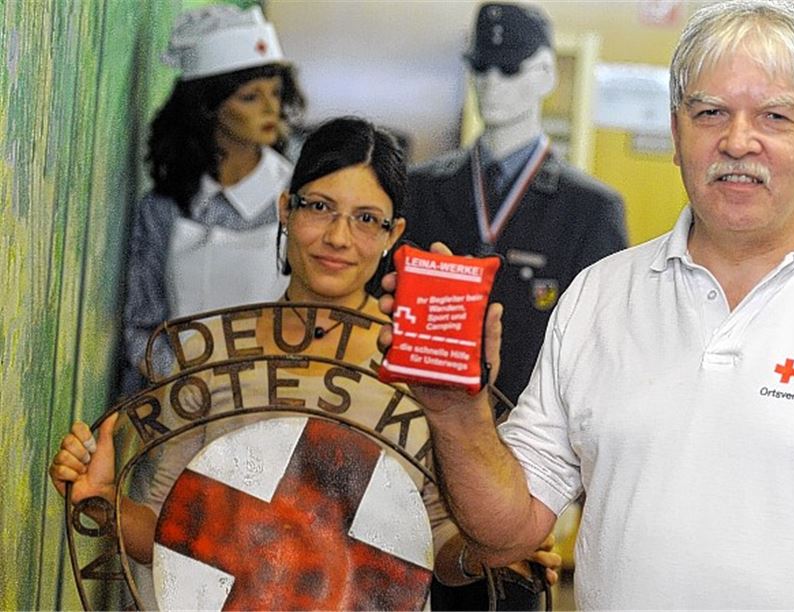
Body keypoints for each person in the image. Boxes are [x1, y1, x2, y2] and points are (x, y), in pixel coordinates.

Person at [380, 1, 794, 609]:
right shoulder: (598, 297)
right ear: (677, 130)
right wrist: (457, 411)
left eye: (775, 116)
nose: (738, 141)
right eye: (709, 112)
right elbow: (509, 531)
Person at [50, 117, 559, 607]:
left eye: (366, 219)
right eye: (319, 207)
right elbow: (170, 532)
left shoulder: (421, 372)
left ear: (392, 233)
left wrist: (490, 546)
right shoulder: (215, 352)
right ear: (285, 209)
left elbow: (432, 546)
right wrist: (102, 499)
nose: (338, 237)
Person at [404, 2, 627, 409]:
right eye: (481, 68)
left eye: (508, 70)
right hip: (419, 420)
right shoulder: (420, 189)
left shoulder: (590, 211)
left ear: (545, 74)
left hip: (532, 435)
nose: (491, 84)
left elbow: (600, 347)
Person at [120, 4, 305, 395]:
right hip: (176, 405)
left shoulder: (301, 200)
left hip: (268, 401)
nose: (272, 108)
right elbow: (142, 325)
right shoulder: (164, 208)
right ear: (209, 108)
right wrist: (185, 389)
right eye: (250, 97)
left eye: (275, 93)